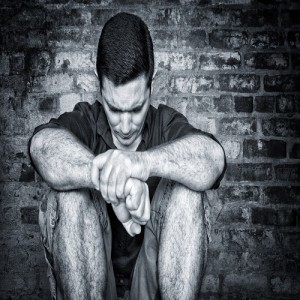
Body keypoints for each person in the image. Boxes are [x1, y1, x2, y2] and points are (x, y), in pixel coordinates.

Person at [29, 12, 225, 300]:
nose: (124, 125)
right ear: (99, 82)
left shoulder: (166, 125)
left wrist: (139, 163)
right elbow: (41, 148)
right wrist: (107, 176)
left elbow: (213, 160)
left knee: (189, 194)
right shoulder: (85, 120)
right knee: (69, 193)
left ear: (151, 83)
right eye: (114, 108)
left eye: (135, 109)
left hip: (154, 284)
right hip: (91, 284)